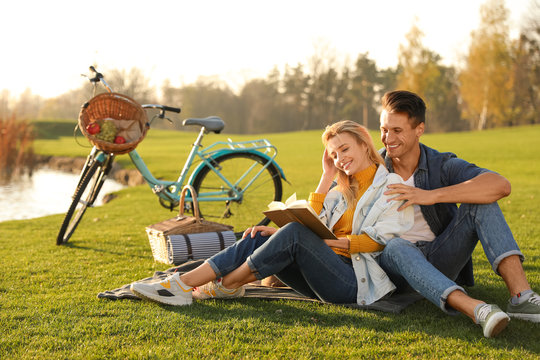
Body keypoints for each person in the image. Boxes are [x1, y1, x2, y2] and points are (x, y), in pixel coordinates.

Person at [130, 120, 414, 307]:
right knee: (257, 235)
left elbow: (382, 242)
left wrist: (325, 244)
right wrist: (326, 176)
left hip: (353, 283)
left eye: (344, 149)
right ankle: (187, 283)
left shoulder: (391, 186)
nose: (340, 158)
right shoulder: (341, 189)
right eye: (334, 155)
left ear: (365, 143)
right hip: (319, 273)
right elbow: (312, 223)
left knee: (293, 234)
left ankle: (219, 284)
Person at [376, 90, 540, 338]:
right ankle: (475, 309)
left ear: (419, 129)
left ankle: (521, 298)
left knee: (482, 203)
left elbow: (500, 185)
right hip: (395, 268)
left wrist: (432, 195)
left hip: (441, 257)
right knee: (397, 246)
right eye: (384, 129)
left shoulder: (441, 164)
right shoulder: (372, 167)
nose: (387, 138)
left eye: (397, 131)